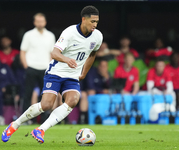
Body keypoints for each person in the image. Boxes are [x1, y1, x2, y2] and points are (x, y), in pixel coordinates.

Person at [2, 5, 103, 144]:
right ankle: (14, 125)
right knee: (46, 105)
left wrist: (83, 72)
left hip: (72, 75)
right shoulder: (69, 32)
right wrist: (67, 60)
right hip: (56, 72)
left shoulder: (98, 36)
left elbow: (92, 54)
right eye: (92, 21)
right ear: (83, 19)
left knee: (73, 100)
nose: (95, 25)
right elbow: (54, 53)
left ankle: (41, 129)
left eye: (97, 22)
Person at [19, 13, 56, 120]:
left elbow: (52, 53)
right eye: (38, 21)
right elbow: (23, 52)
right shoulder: (28, 35)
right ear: (34, 22)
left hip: (45, 69)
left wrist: (50, 67)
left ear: (45, 22)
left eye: (42, 21)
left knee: (46, 95)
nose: (40, 23)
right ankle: (25, 119)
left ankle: (45, 119)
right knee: (27, 94)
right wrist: (26, 66)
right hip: (31, 67)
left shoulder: (50, 35)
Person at [79, 59, 111, 124]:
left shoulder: (108, 74)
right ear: (98, 66)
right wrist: (101, 91)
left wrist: (107, 79)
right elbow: (90, 87)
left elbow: (111, 88)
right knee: (88, 94)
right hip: (87, 92)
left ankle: (105, 116)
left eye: (105, 66)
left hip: (101, 96)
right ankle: (85, 117)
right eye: (102, 66)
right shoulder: (91, 72)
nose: (103, 68)